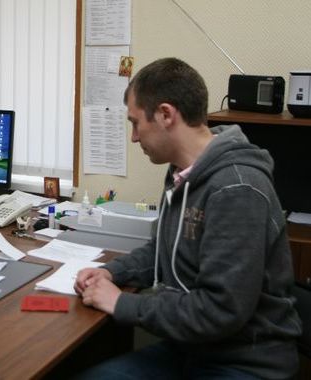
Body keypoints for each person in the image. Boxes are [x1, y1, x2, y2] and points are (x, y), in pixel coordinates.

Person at [74, 58, 302, 379]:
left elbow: (220, 310)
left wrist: (122, 304)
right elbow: (161, 250)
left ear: (166, 115)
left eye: (136, 123)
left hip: (245, 361)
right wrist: (110, 273)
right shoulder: (184, 172)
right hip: (192, 347)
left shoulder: (236, 187)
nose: (134, 138)